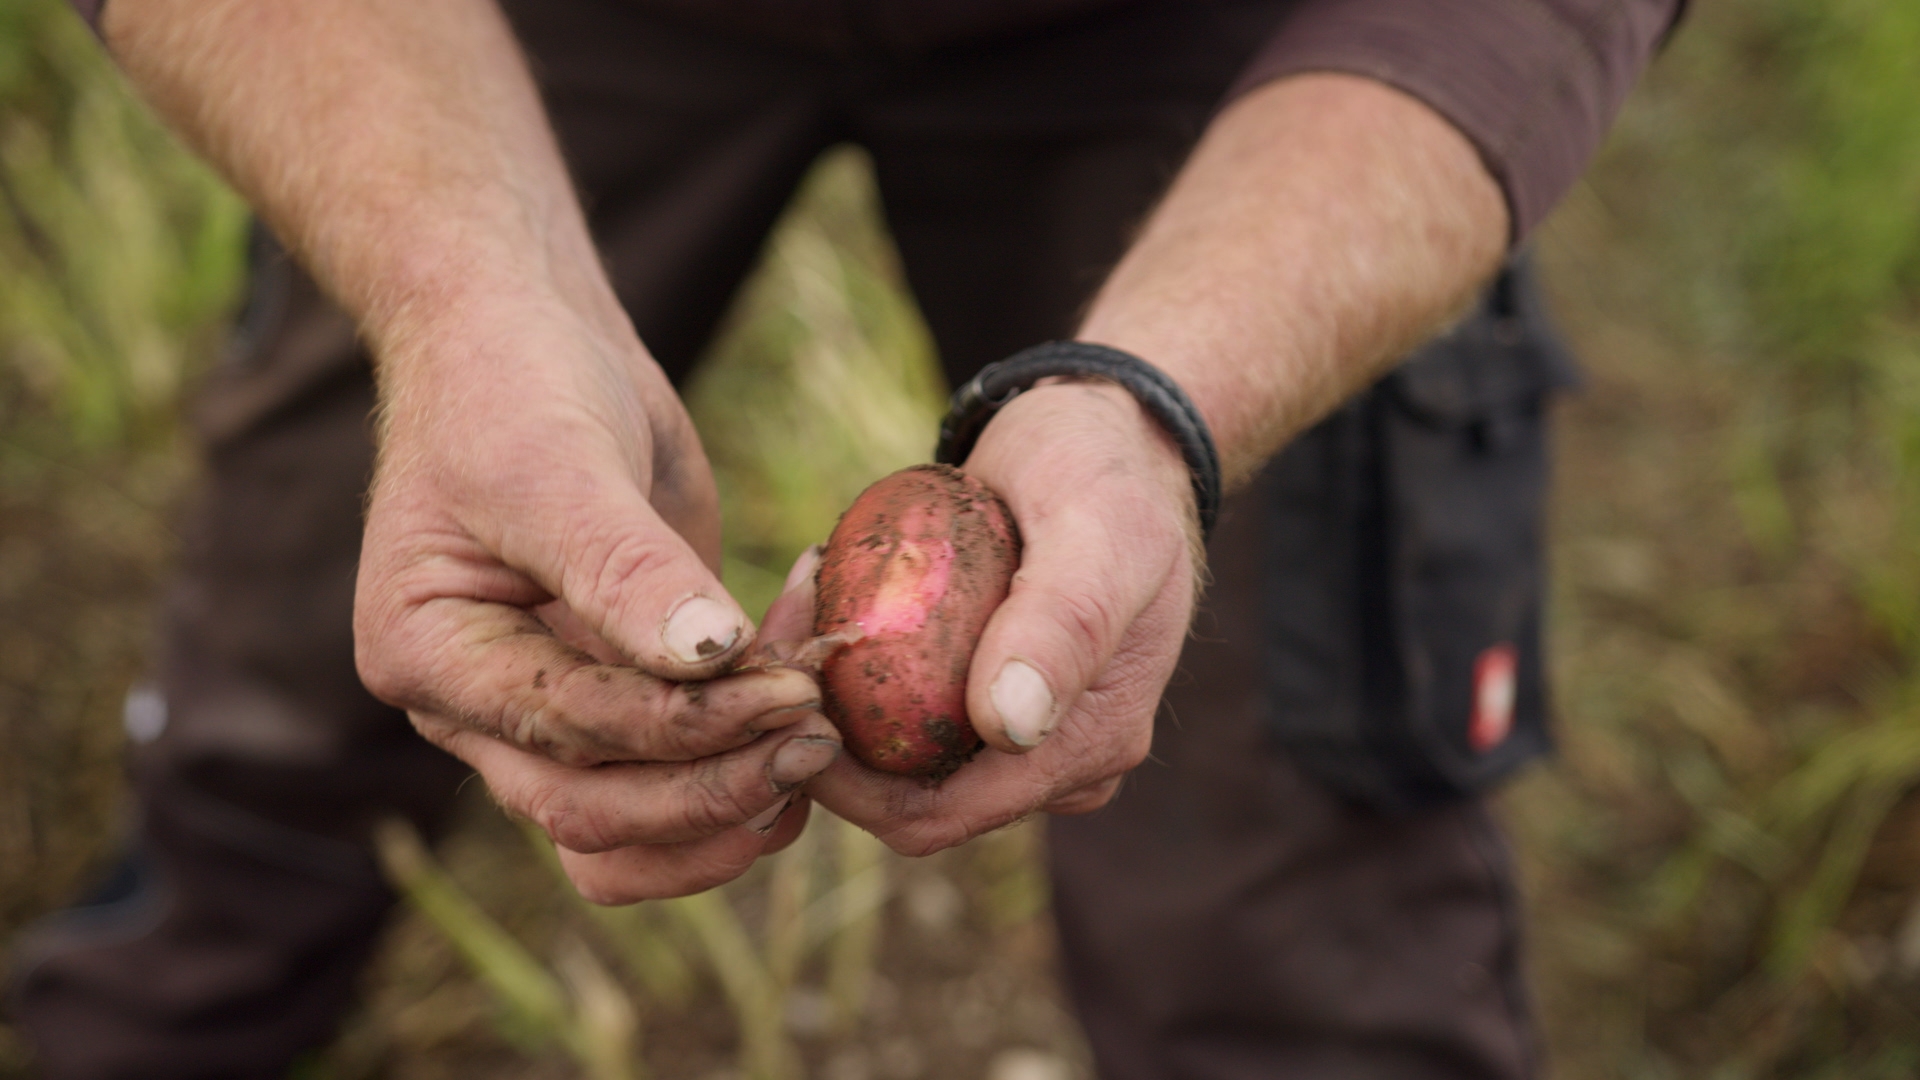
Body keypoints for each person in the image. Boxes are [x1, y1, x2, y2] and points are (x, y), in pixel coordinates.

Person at [9, 0, 1679, 1076]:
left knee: (1293, 921)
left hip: (1238, 43)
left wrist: (1158, 396)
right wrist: (457, 277)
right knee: (310, 691)